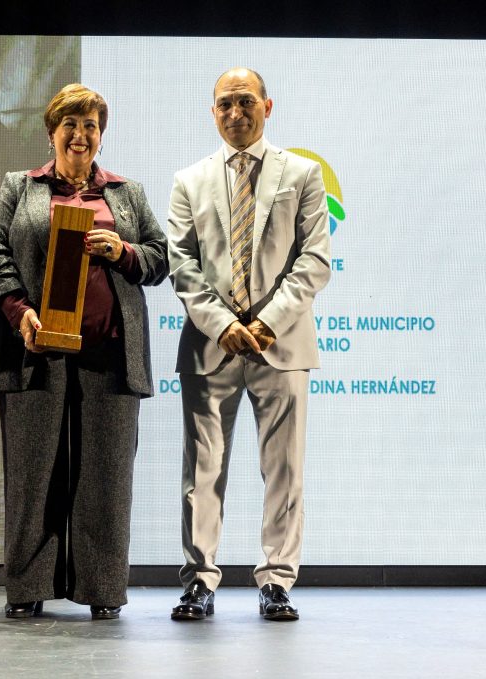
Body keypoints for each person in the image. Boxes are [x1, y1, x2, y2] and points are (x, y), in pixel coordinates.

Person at [0, 83, 168, 620]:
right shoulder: (21, 187)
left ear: (101, 134)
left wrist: (123, 250)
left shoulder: (126, 193)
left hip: (109, 354)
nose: (81, 135)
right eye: (71, 125)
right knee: (33, 475)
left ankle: (102, 590)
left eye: (91, 126)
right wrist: (21, 314)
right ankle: (28, 588)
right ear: (52, 131)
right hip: (36, 351)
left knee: (106, 478)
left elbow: (159, 258)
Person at [167, 68, 331, 621]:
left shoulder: (303, 174)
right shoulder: (188, 180)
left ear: (267, 104)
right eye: (224, 104)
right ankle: (198, 581)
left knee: (284, 469)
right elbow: (182, 265)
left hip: (279, 345)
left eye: (245, 102)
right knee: (201, 472)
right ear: (212, 112)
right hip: (210, 345)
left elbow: (314, 261)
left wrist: (266, 323)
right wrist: (221, 324)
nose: (235, 112)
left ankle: (278, 581)